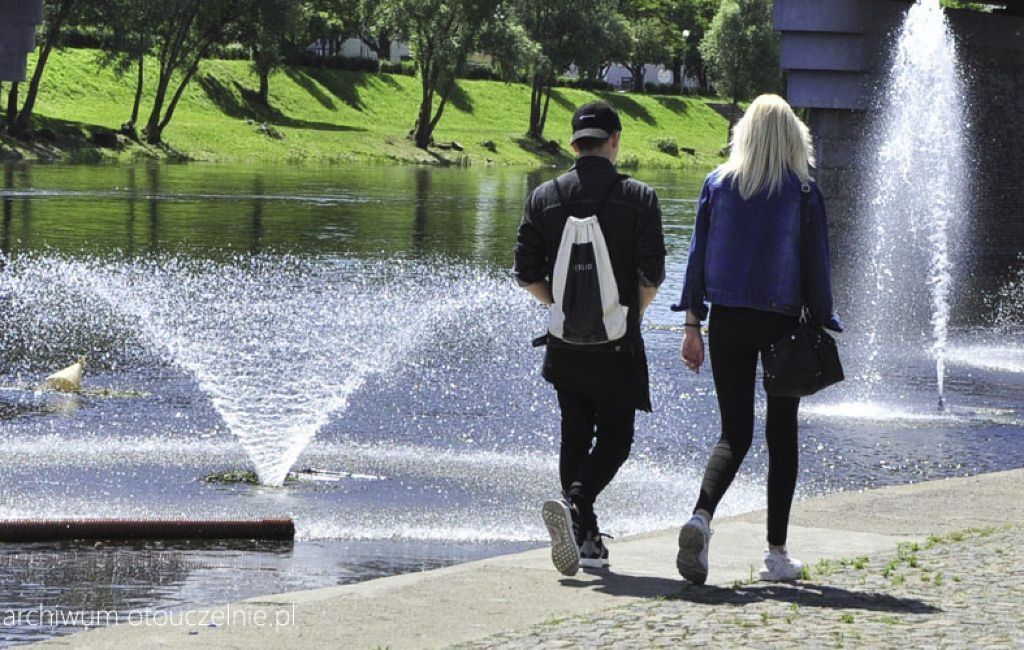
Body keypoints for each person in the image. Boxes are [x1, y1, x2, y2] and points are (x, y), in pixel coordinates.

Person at [671, 94, 842, 585]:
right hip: (782, 325)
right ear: (791, 138)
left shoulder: (717, 184)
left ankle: (701, 518)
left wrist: (692, 325)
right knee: (781, 435)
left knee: (734, 434)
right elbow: (817, 265)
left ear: (744, 133)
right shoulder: (803, 192)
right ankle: (776, 555)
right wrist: (823, 321)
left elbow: (696, 258)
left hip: (726, 322)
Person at [514, 101, 666, 576]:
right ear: (614, 140)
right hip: (619, 345)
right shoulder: (640, 197)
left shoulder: (543, 197)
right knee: (616, 440)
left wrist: (564, 309)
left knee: (575, 432)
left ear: (574, 143)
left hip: (565, 344)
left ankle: (586, 540)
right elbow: (652, 276)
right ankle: (577, 503)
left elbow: (526, 274)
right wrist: (624, 318)